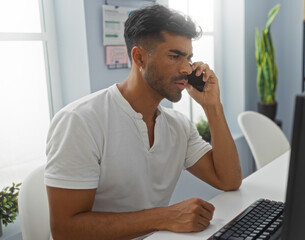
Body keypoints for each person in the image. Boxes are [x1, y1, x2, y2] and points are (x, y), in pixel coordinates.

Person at [45, 4, 242, 240]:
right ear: (139, 57)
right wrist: (165, 217)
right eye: (174, 56)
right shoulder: (79, 121)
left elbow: (228, 180)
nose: (185, 68)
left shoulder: (178, 125)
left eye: (188, 58)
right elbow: (64, 230)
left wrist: (213, 106)